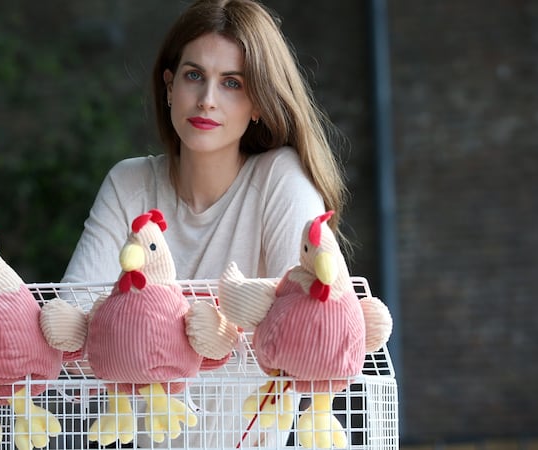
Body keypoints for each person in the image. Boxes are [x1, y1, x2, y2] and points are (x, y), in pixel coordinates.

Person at [59, 0, 348, 447]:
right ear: (169, 86)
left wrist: (141, 332)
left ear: (258, 103)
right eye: (194, 75)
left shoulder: (280, 178)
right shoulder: (129, 183)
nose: (207, 99)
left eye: (231, 83)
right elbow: (70, 336)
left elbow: (312, 321)